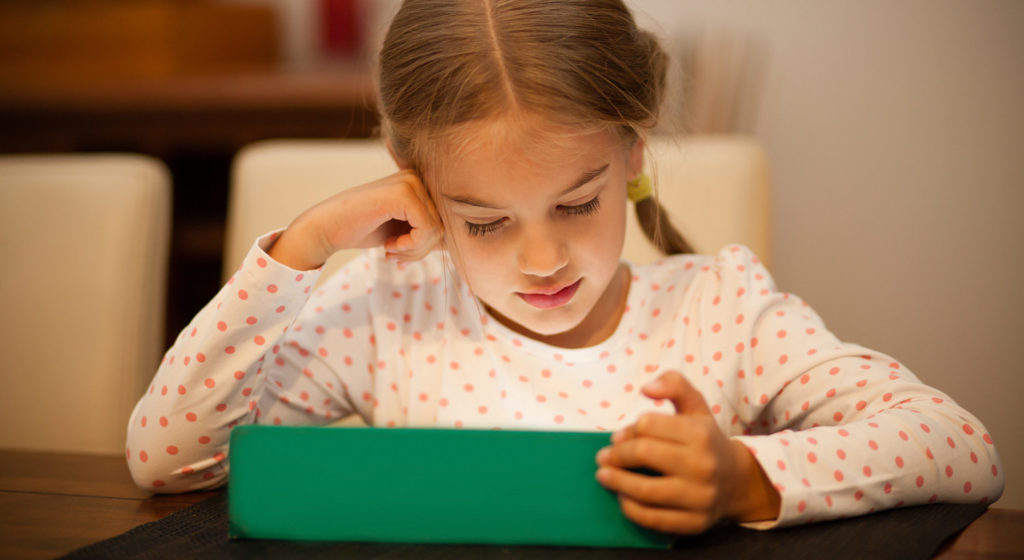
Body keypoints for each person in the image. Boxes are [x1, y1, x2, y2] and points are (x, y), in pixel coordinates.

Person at [126, 0, 1003, 533]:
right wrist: (305, 244)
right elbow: (168, 462)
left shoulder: (720, 307)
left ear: (631, 153)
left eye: (577, 205)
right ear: (417, 185)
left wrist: (745, 478)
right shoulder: (387, 308)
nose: (541, 259)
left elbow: (962, 447)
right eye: (485, 221)